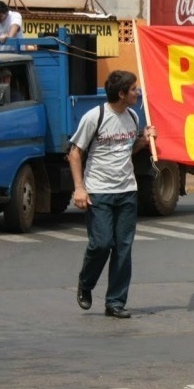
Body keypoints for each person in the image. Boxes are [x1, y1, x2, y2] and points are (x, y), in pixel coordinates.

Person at [69, 70, 156, 319]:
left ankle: (115, 301)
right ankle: (86, 283)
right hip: (99, 191)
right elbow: (75, 153)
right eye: (133, 90)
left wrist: (145, 141)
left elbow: (128, 150)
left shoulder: (132, 116)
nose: (136, 93)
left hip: (127, 190)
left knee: (123, 248)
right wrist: (79, 188)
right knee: (101, 244)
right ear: (121, 93)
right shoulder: (94, 117)